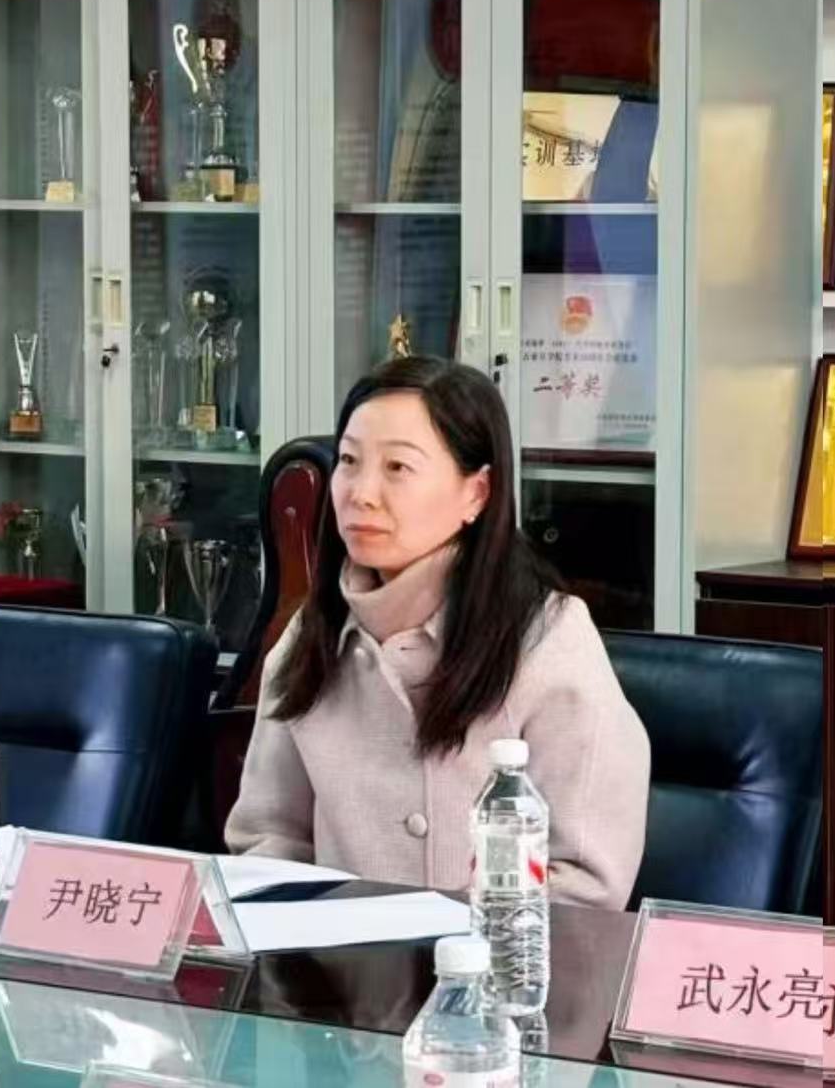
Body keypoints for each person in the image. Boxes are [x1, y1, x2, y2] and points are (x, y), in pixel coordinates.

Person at [226, 356, 650, 909]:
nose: (361, 493)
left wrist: (457, 950)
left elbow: (585, 884)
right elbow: (268, 841)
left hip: (496, 959)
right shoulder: (312, 633)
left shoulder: (545, 638)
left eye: (398, 467)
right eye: (349, 461)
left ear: (476, 493)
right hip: (332, 959)